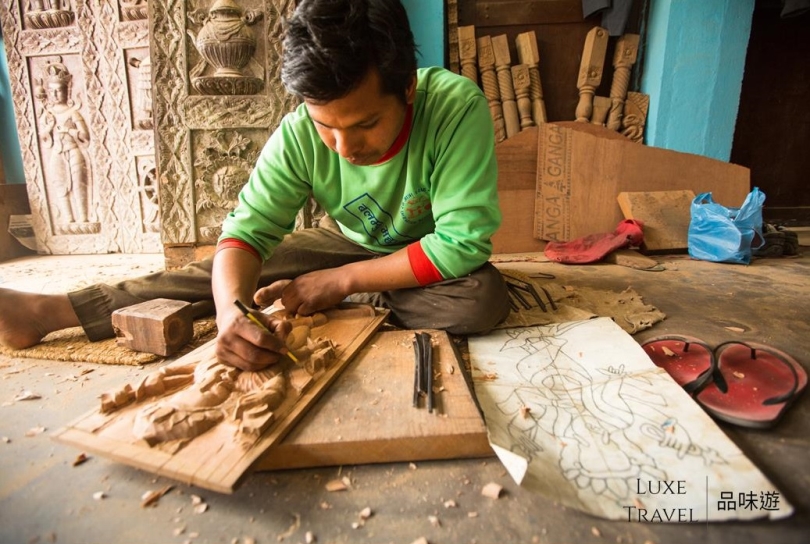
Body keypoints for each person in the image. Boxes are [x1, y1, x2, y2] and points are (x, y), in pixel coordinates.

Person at [0, 0, 511, 371]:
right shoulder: (297, 133)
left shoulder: (454, 107)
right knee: (218, 273)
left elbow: (461, 242)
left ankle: (344, 297)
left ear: (408, 88)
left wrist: (341, 282)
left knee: (480, 299)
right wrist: (231, 313)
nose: (344, 147)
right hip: (348, 243)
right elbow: (244, 235)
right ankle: (51, 311)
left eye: (364, 124)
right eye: (324, 126)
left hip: (421, 261)